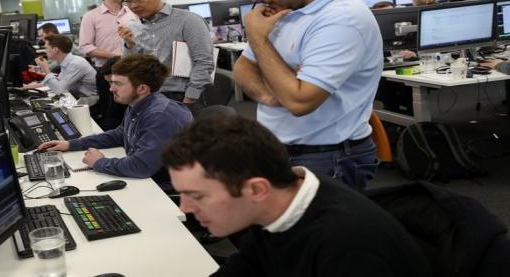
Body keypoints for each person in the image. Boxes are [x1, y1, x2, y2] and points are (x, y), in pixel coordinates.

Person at [162, 116, 431, 277]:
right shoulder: (276, 207)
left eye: (197, 195)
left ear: (257, 189)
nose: (185, 207)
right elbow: (248, 266)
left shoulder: (349, 245)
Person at [226, 0, 383, 190]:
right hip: (280, 149)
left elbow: (299, 101)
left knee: (319, 231)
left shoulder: (341, 19)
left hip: (326, 158)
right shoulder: (285, 9)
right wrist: (275, 95)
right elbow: (242, 69)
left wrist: (259, 39)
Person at [38, 54, 193, 191]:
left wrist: (99, 162)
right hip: (148, 180)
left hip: (167, 189)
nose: (111, 89)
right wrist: (70, 144)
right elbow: (120, 134)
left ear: (142, 88)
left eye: (118, 83)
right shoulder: (139, 104)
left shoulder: (160, 116)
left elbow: (141, 167)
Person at [117, 0, 214, 113]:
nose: (133, 6)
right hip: (146, 97)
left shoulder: (188, 21)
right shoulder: (132, 28)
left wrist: (189, 99)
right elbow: (129, 70)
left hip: (180, 96)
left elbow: (204, 62)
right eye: (127, 1)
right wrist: (129, 45)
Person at [79, 0, 138, 68]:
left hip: (134, 66)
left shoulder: (134, 12)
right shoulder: (90, 17)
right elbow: (85, 47)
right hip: (107, 69)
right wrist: (116, 57)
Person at [24, 34, 97, 101]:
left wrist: (46, 69)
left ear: (55, 50)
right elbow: (56, 81)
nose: (45, 51)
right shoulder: (67, 61)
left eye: (46, 48)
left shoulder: (76, 64)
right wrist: (27, 87)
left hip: (89, 101)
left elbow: (59, 90)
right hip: (78, 97)